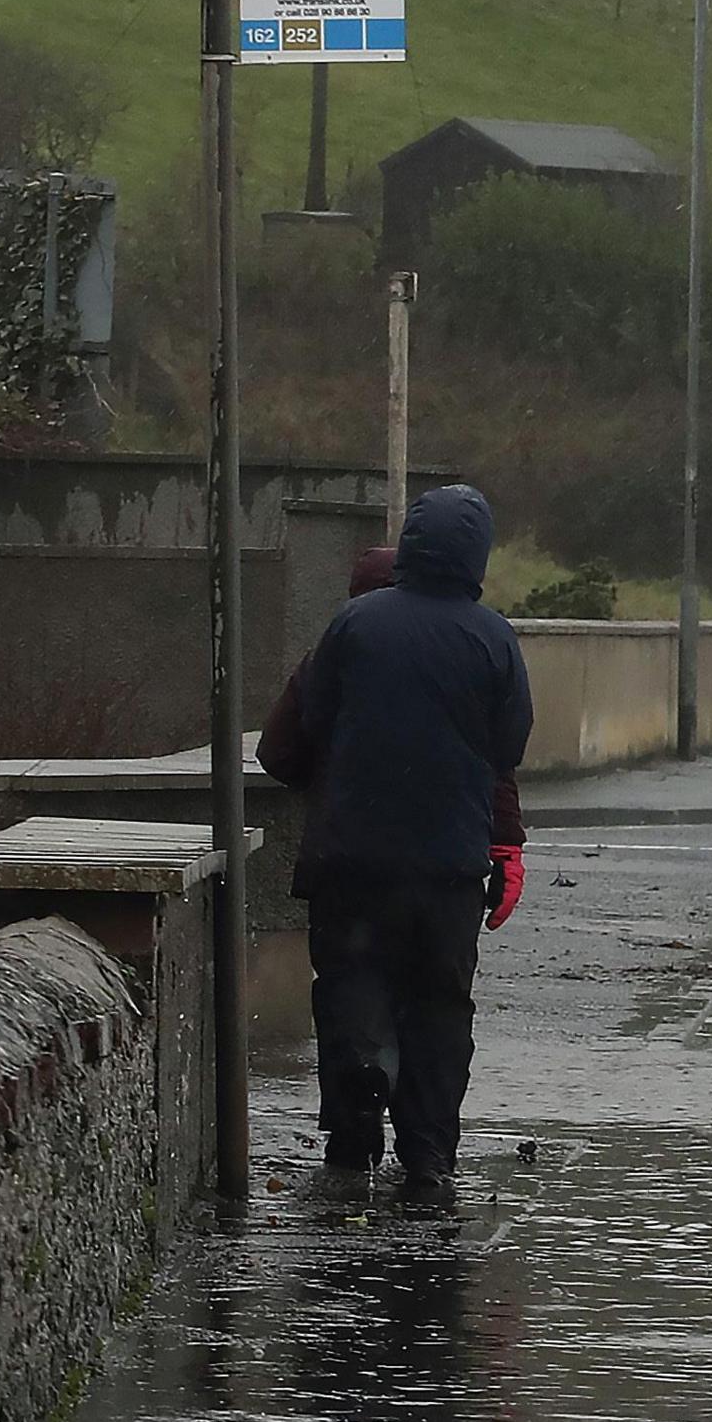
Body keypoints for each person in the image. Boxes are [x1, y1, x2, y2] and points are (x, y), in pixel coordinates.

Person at [256, 486, 532, 1210]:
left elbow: (309, 725)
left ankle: (355, 1120)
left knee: (350, 985)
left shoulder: (354, 624)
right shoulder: (494, 637)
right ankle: (430, 1156)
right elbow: (509, 744)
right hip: (446, 870)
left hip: (353, 859)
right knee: (440, 1005)